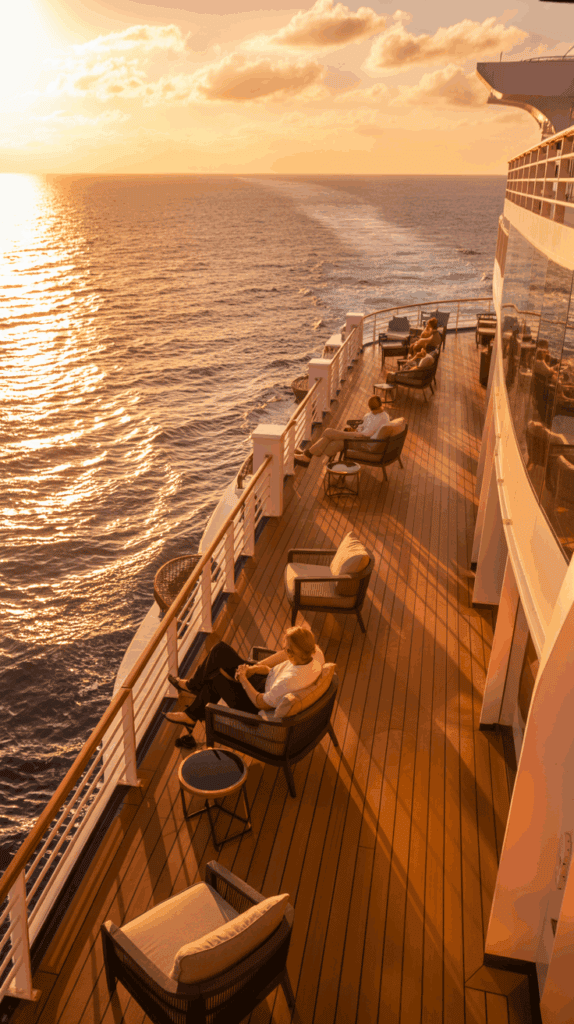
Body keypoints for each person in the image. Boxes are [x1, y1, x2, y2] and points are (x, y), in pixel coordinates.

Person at [164, 626, 324, 748]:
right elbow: (274, 671)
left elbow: (260, 703)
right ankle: (192, 705)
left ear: (296, 652)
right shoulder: (314, 654)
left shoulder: (289, 681)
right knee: (220, 650)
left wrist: (243, 679)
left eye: (287, 650)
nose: (285, 652)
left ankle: (193, 695)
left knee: (216, 677)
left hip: (253, 708)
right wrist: (254, 669)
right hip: (264, 681)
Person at [293, 394, 390, 467]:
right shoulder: (381, 415)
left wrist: (357, 433)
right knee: (333, 443)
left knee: (328, 432)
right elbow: (363, 425)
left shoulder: (379, 418)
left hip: (364, 441)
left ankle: (307, 455)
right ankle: (307, 456)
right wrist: (359, 429)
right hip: (361, 437)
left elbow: (367, 433)